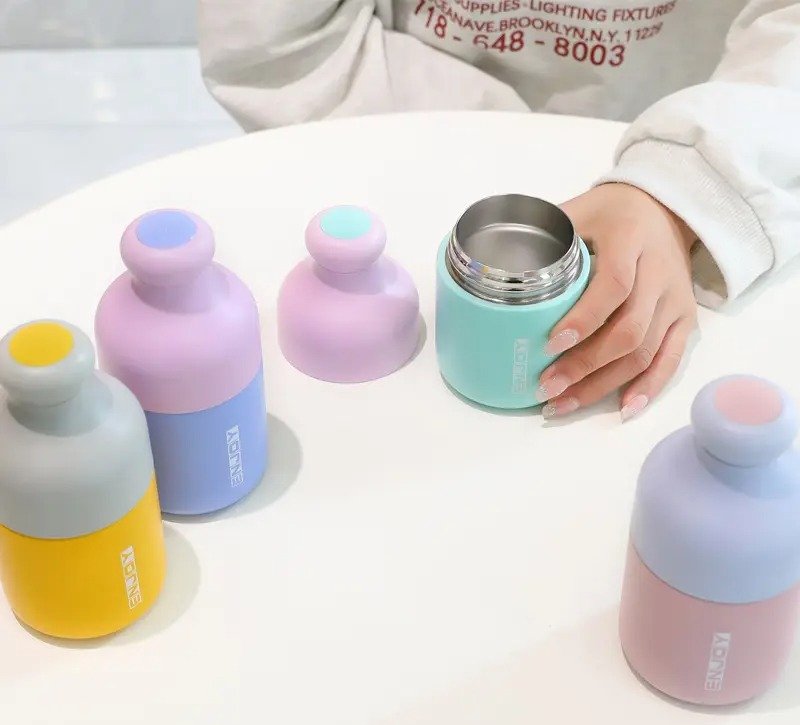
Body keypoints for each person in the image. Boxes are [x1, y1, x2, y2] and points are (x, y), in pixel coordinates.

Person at [197, 0, 800, 420]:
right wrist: (492, 142)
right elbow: (276, 48)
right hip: (393, 132)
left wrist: (687, 185)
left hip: (690, 160)